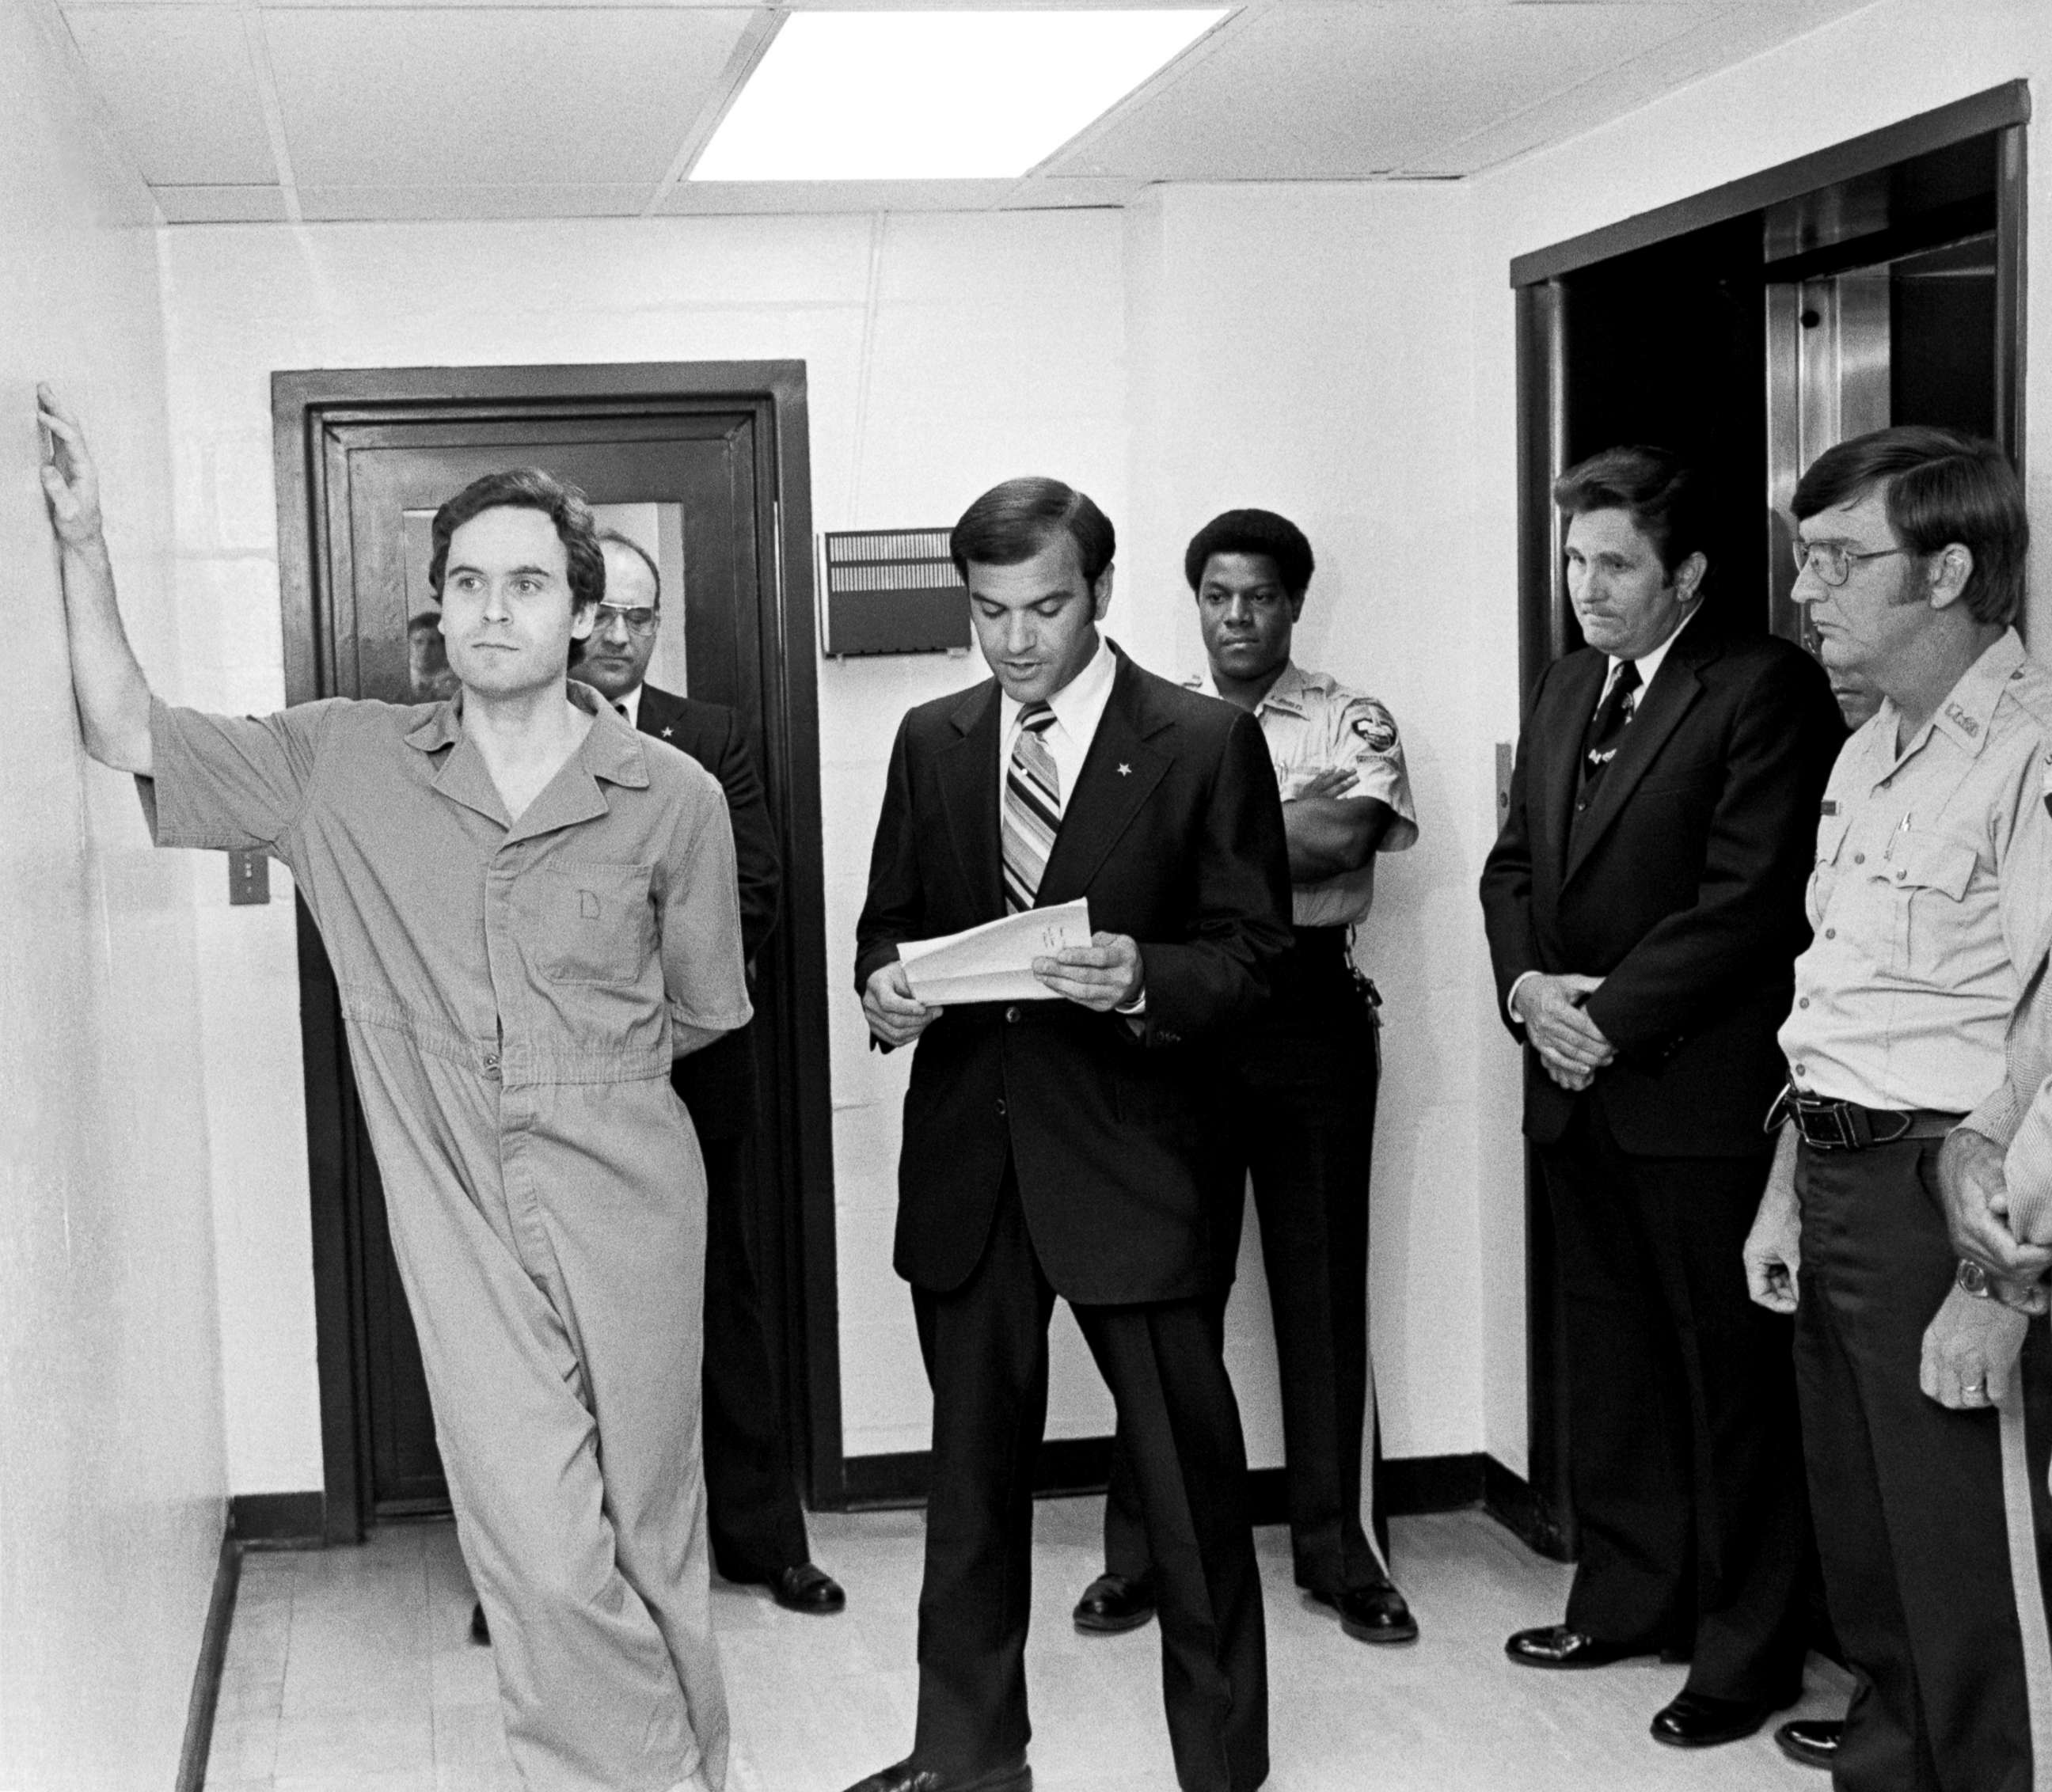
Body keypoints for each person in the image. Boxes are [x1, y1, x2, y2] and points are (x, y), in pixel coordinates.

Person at [36, 388, 747, 1792]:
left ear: (581, 613)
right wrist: (85, 540)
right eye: (468, 581)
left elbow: (699, 1005)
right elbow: (128, 729)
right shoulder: (342, 764)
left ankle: (697, 1766)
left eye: (528, 582)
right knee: (539, 1539)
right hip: (456, 1190)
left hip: (634, 1185)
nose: (496, 608)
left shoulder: (673, 793)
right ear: (436, 610)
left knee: (653, 1520)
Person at [849, 477, 1290, 1792]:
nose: (1015, 639)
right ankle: (966, 1757)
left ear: (1096, 587)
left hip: (1135, 1165)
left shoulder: (1201, 740)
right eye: (988, 612)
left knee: (1191, 1496)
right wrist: (882, 989)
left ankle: (1221, 1766)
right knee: (969, 1490)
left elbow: (1254, 955)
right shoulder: (932, 738)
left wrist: (1145, 974)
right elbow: (889, 922)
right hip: (972, 1169)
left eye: (1043, 606)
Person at [1479, 445, 1843, 1749]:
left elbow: (1748, 901)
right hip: (1576, 1088)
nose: (1586, 585)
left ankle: (1744, 1648)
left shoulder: (1761, 688)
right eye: (1575, 558)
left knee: (1728, 1378)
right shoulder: (1569, 680)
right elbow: (1510, 863)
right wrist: (1528, 992)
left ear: (1685, 570)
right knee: (1614, 1361)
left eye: (1614, 562)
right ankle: (1627, 1594)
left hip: (1696, 1092)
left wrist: (1602, 1019)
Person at [1742, 426, 2052, 1789]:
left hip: (1956, 1204)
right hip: (1841, 1181)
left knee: (1971, 1583)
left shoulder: (2026, 761)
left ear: (1946, 568)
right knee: (1869, 1564)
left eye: (1834, 559)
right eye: (1800, 557)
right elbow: (1837, 1000)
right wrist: (1784, 1190)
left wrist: (2004, 1277)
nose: (1806, 591)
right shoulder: (1869, 752)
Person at [1074, 508, 1419, 1649]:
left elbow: (1343, 840)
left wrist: (1205, 833)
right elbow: (1189, 862)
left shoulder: (1349, 713)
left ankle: (1341, 1550)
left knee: (1323, 1291)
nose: (1236, 616)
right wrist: (1267, 822)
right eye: (1218, 595)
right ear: (1196, 602)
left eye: (1259, 596)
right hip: (1190, 1019)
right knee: (1164, 1293)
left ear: (1292, 605)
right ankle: (1144, 1554)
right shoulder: (1154, 720)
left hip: (1311, 1016)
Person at [568, 528, 845, 1616]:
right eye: (608, 617)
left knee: (719, 1307)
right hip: (553, 1092)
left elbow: (751, 895)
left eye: (646, 618)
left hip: (693, 1079)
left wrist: (622, 995)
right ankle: (558, 1568)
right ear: (573, 618)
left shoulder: (710, 740)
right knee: (560, 1327)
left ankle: (763, 1542)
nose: (625, 638)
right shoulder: (503, 743)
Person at [407, 607, 462, 702]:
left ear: (444, 646)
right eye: (418, 642)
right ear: (408, 644)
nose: (425, 649)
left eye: (432, 643)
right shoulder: (398, 677)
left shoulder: (458, 682)